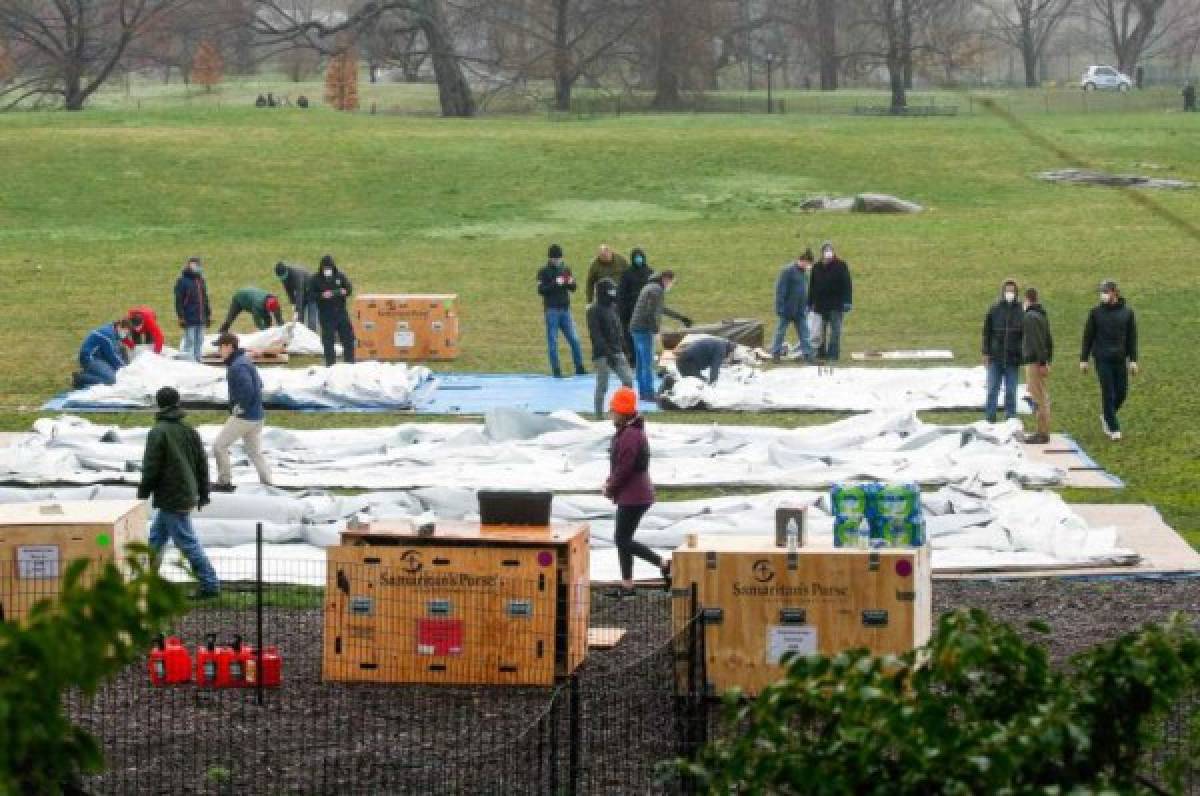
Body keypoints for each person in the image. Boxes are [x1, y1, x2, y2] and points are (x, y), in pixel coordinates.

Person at [138, 386, 219, 599]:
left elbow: (151, 466)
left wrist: (143, 491)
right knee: (156, 537)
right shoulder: (189, 430)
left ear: (159, 404)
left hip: (171, 497)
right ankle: (146, 580)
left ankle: (210, 584)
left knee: (187, 542)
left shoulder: (158, 432)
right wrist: (203, 493)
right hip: (184, 494)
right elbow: (202, 464)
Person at [603, 386, 670, 599]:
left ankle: (664, 564)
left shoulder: (629, 435)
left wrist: (610, 487)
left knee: (622, 540)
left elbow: (625, 468)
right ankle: (627, 585)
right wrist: (611, 482)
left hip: (634, 496)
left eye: (613, 410)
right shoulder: (630, 432)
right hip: (634, 494)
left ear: (622, 413)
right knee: (624, 538)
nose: (611, 414)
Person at [211, 333, 272, 491]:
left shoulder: (237, 366)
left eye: (221, 347)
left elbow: (248, 389)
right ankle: (268, 484)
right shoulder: (245, 361)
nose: (219, 351)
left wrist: (240, 407)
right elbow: (260, 384)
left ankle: (224, 482)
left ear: (229, 347)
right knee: (254, 452)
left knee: (219, 446)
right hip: (257, 416)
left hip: (244, 417)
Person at [1080, 279, 1138, 441]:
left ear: (1114, 292)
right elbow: (1088, 337)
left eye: (1106, 291)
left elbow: (1132, 339)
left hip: (1120, 359)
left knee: (1122, 393)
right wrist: (1084, 359)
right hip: (1102, 359)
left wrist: (1133, 360)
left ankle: (1106, 415)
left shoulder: (1127, 313)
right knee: (1108, 393)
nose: (1103, 295)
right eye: (1101, 292)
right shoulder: (1095, 313)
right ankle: (1114, 428)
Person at [629, 270, 692, 400]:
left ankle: (643, 392)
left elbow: (661, 308)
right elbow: (650, 312)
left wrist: (681, 318)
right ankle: (649, 394)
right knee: (647, 364)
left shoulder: (650, 287)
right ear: (666, 279)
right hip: (644, 329)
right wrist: (655, 330)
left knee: (641, 364)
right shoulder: (657, 290)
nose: (671, 285)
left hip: (635, 328)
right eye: (672, 282)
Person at [537, 243, 587, 378]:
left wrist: (570, 281)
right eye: (555, 258)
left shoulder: (566, 269)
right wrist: (555, 283)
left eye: (559, 258)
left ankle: (579, 367)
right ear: (550, 258)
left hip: (565, 310)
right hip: (551, 310)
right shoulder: (543, 272)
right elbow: (541, 290)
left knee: (575, 340)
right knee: (553, 341)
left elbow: (574, 288)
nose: (557, 260)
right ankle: (556, 370)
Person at [587, 277, 634, 419]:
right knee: (602, 386)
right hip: (602, 354)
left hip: (617, 351)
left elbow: (618, 330)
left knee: (628, 380)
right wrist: (608, 355)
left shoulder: (613, 308)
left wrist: (625, 349)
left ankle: (623, 410)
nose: (613, 294)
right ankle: (599, 416)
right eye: (610, 291)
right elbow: (596, 336)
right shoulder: (593, 310)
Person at [982, 278, 1024, 424]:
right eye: (1007, 290)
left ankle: (1010, 420)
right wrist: (986, 353)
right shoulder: (994, 309)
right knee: (992, 389)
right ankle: (990, 419)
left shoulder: (1021, 310)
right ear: (1003, 291)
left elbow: (1025, 335)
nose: (1009, 293)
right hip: (995, 358)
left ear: (1016, 292)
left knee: (1011, 392)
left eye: (1012, 291)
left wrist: (1022, 353)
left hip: (1013, 359)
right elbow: (986, 332)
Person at [306, 254, 357, 367]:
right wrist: (322, 295)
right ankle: (330, 365)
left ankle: (350, 362)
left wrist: (344, 291)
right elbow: (310, 295)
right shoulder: (315, 279)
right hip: (326, 314)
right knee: (328, 341)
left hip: (341, 312)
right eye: (325, 268)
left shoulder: (339, 276)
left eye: (329, 268)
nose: (327, 270)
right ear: (321, 268)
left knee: (347, 338)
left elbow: (349, 288)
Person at [807, 241, 852, 361]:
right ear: (821, 253)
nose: (828, 253)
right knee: (819, 331)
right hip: (820, 305)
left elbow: (847, 284)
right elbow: (812, 286)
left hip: (836, 305)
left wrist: (847, 301)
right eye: (826, 251)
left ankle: (833, 355)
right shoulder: (816, 267)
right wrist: (809, 303)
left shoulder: (841, 265)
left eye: (830, 251)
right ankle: (820, 353)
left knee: (835, 331)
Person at [1021, 287, 1054, 444]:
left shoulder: (1029, 317)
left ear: (1027, 299)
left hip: (1035, 362)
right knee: (1041, 395)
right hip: (1040, 360)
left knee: (1038, 397)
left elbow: (1037, 342)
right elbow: (1048, 340)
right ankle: (1042, 430)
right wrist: (1047, 360)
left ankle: (1042, 432)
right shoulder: (1042, 315)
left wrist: (1041, 362)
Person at [771, 248, 815, 362]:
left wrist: (807, 306)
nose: (808, 266)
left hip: (800, 311)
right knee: (780, 332)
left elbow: (804, 291)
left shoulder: (805, 274)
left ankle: (808, 356)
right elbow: (780, 290)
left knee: (805, 334)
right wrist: (780, 307)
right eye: (808, 263)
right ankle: (775, 354)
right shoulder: (787, 271)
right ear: (803, 260)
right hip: (787, 309)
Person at [617, 247, 653, 366]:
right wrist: (621, 310)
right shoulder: (627, 273)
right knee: (630, 337)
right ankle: (633, 358)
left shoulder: (649, 272)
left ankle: (644, 359)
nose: (639, 259)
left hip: (646, 311)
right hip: (630, 310)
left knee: (645, 336)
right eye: (637, 257)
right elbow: (621, 293)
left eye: (640, 257)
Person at [174, 256, 211, 362]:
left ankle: (198, 360)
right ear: (188, 266)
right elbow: (179, 301)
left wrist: (208, 314)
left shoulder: (201, 280)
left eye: (197, 265)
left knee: (200, 340)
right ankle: (188, 362)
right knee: (190, 340)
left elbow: (205, 298)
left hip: (201, 317)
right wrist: (181, 316)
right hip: (189, 317)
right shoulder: (182, 281)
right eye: (193, 265)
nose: (195, 267)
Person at [75, 320, 132, 388]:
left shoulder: (113, 331)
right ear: (119, 327)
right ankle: (80, 378)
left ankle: (91, 373)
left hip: (99, 356)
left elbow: (117, 351)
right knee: (111, 380)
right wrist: (125, 369)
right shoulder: (108, 335)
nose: (125, 335)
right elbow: (112, 356)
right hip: (89, 358)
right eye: (125, 332)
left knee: (117, 372)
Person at [217, 287, 284, 334]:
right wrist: (265, 332)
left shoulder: (274, 302)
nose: (271, 312)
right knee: (230, 318)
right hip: (239, 298)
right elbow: (258, 322)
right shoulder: (258, 304)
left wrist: (282, 327)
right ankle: (221, 332)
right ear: (266, 306)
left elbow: (278, 318)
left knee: (267, 319)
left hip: (251, 296)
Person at [275, 261, 318, 331]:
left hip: (312, 292)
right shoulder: (284, 278)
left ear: (286, 271)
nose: (282, 278)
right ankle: (300, 334)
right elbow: (289, 291)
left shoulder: (296, 274)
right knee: (299, 319)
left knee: (311, 319)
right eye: (280, 277)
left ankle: (312, 335)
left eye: (282, 275)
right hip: (303, 294)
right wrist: (293, 304)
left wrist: (297, 309)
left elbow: (299, 293)